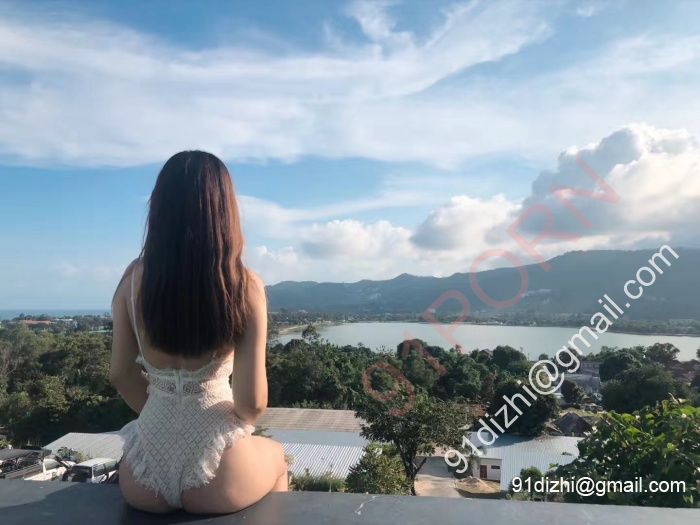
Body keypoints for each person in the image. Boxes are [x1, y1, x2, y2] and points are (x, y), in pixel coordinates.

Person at [109, 151, 287, 514]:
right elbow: (251, 404)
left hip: (142, 475)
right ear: (226, 211)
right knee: (277, 457)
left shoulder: (132, 280)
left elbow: (121, 374)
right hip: (220, 475)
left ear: (159, 209)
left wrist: (163, 417)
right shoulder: (244, 286)